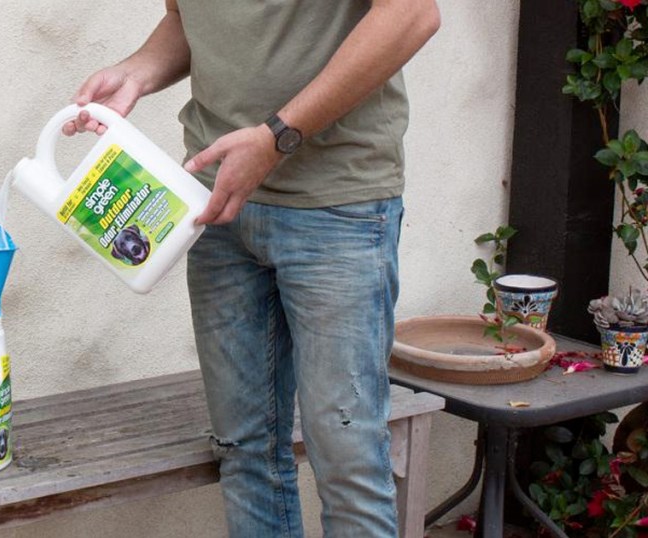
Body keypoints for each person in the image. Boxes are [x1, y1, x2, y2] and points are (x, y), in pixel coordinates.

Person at [64, 0, 440, 535]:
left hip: (338, 208)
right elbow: (190, 19)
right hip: (218, 204)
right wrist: (137, 70)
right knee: (244, 453)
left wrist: (276, 136)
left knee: (347, 457)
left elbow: (412, 14)